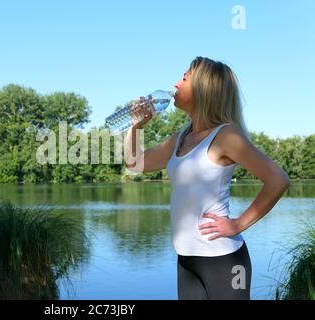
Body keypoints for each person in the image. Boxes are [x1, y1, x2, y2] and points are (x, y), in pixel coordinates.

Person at [123, 56, 290, 300]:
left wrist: (238, 224)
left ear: (204, 88)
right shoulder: (181, 137)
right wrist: (136, 126)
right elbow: (134, 163)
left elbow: (278, 180)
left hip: (225, 261)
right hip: (186, 260)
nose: (176, 84)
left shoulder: (226, 135)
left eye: (184, 78)